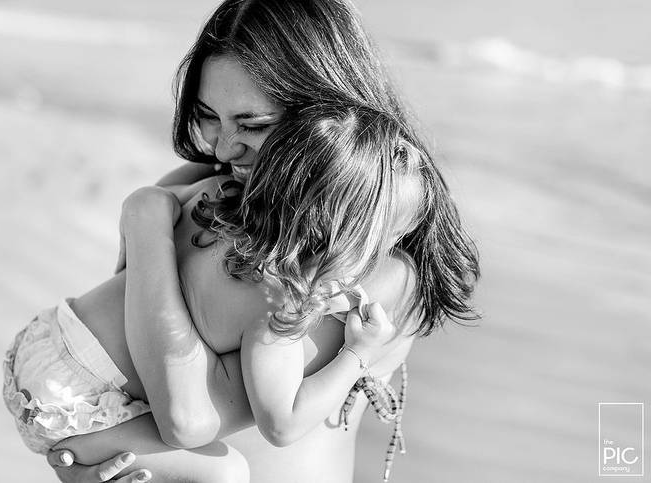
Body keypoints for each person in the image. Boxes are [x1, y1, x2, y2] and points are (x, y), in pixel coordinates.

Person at [44, 0, 479, 482]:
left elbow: (191, 413)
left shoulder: (370, 267)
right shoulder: (220, 184)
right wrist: (91, 460)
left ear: (326, 118)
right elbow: (121, 363)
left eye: (253, 125)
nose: (223, 148)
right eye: (209, 116)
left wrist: (144, 219)